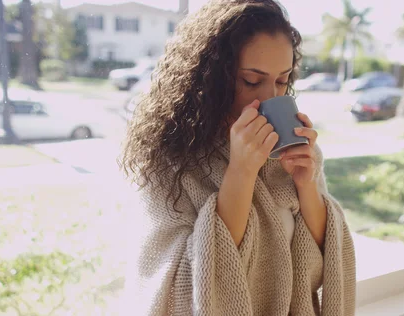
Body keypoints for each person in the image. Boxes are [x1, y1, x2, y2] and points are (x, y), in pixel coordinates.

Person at [120, 0, 356, 314]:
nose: (270, 97)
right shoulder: (168, 161)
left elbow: (319, 270)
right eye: (251, 81)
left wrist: (307, 185)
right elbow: (183, 288)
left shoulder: (294, 149)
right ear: (209, 78)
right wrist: (241, 173)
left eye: (282, 80)